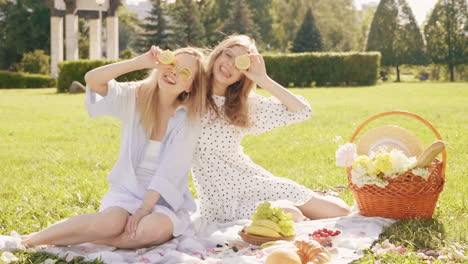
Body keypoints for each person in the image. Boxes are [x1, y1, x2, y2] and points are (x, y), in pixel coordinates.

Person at [21, 46, 206, 249]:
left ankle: (76, 237)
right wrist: (140, 62)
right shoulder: (137, 95)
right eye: (172, 64)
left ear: (190, 87)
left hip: (163, 199)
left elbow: (169, 171)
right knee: (112, 223)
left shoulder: (189, 119)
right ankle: (29, 240)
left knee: (147, 230)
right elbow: (93, 79)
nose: (174, 72)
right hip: (126, 190)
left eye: (185, 73)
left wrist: (144, 210)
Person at [192, 35, 351, 223]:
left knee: (342, 211)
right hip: (219, 202)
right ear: (217, 55)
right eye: (228, 55)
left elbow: (302, 111)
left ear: (244, 74)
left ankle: (308, 196)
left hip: (254, 182)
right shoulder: (189, 95)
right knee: (291, 215)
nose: (230, 65)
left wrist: (263, 79)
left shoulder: (242, 106)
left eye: (239, 64)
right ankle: (293, 203)